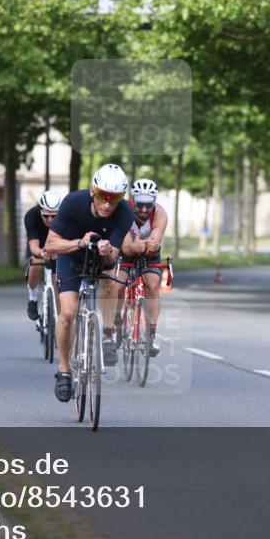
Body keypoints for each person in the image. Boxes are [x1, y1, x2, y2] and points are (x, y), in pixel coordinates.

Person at [44, 164, 134, 402]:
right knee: (68, 313)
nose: (107, 204)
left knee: (111, 284)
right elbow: (50, 245)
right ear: (93, 191)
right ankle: (64, 369)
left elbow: (114, 256)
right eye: (103, 195)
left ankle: (107, 336)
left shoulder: (124, 213)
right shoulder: (73, 202)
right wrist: (80, 243)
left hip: (99, 260)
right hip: (71, 257)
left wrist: (106, 250)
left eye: (114, 198)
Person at [117, 178, 168, 356]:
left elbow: (155, 237)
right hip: (126, 249)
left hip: (149, 253)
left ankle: (151, 335)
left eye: (149, 205)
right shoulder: (123, 210)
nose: (144, 210)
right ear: (133, 201)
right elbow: (124, 246)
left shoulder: (160, 213)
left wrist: (153, 245)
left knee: (153, 285)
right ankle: (116, 321)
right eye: (140, 205)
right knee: (116, 284)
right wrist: (132, 247)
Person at [24, 190, 62, 320]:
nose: (50, 219)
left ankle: (58, 317)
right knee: (35, 264)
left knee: (57, 279)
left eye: (54, 216)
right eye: (46, 216)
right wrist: (41, 253)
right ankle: (33, 298)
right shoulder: (32, 216)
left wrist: (58, 253)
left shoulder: (65, 217)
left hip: (57, 245)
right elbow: (34, 245)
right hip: (39, 245)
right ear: (40, 210)